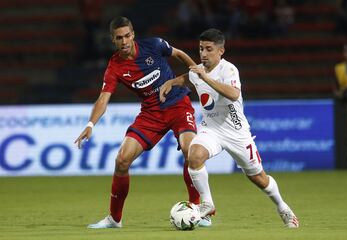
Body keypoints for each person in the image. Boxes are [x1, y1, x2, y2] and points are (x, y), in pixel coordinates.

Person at [160, 28, 299, 228]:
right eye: (201, 49)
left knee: (259, 178)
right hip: (211, 130)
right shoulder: (197, 71)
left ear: (221, 51)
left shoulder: (229, 70)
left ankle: (283, 207)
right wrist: (172, 82)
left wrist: (205, 77)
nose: (204, 54)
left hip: (237, 133)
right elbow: (188, 78)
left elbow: (233, 94)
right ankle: (207, 204)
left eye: (209, 49)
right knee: (194, 156)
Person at [74, 16, 203, 229]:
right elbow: (103, 98)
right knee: (122, 160)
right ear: (113, 40)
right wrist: (90, 125)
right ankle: (115, 219)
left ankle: (197, 209)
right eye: (119, 38)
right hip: (150, 114)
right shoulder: (114, 66)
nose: (124, 41)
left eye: (127, 36)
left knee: (191, 152)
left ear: (133, 34)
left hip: (178, 104)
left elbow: (179, 54)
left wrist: (198, 74)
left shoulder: (153, 45)